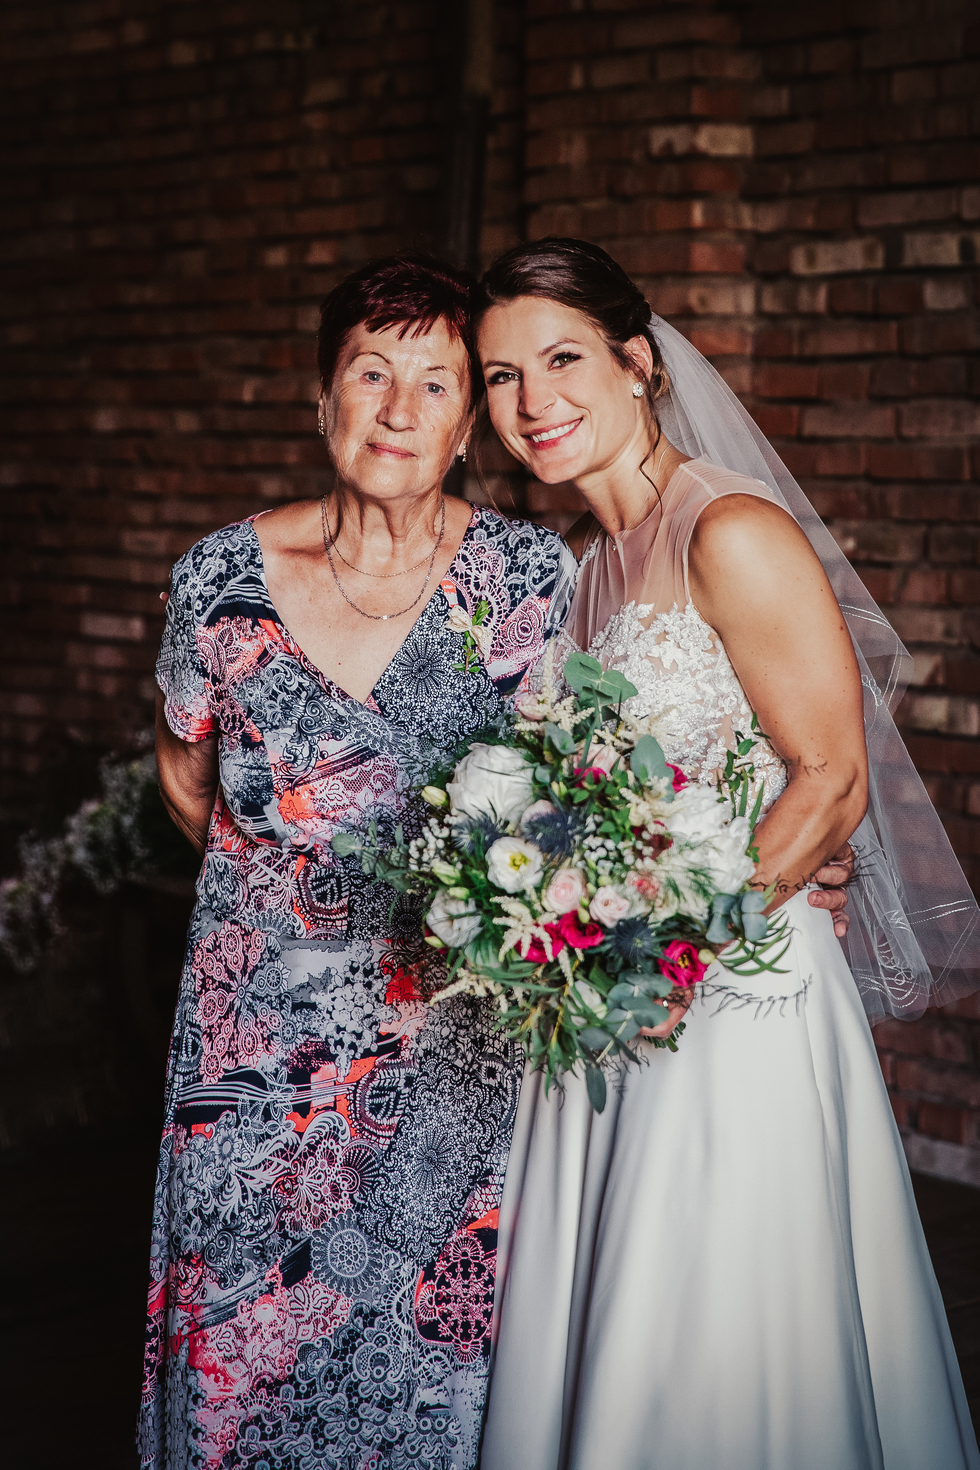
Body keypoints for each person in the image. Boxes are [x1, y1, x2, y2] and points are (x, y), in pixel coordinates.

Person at [474, 238, 980, 1470]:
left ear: (636, 364)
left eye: (560, 360)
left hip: (720, 996)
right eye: (499, 377)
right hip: (602, 996)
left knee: (710, 1318)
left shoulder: (728, 531)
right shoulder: (586, 565)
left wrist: (669, 959)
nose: (532, 402)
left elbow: (831, 776)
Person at [140, 251, 578, 1470]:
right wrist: (282, 906)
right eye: (370, 373)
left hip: (449, 1067)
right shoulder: (218, 580)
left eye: (435, 384)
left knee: (429, 1391)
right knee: (239, 1381)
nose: (397, 409)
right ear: (320, 398)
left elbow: (578, 793)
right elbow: (184, 780)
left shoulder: (524, 579)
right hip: (250, 1069)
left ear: (467, 424)